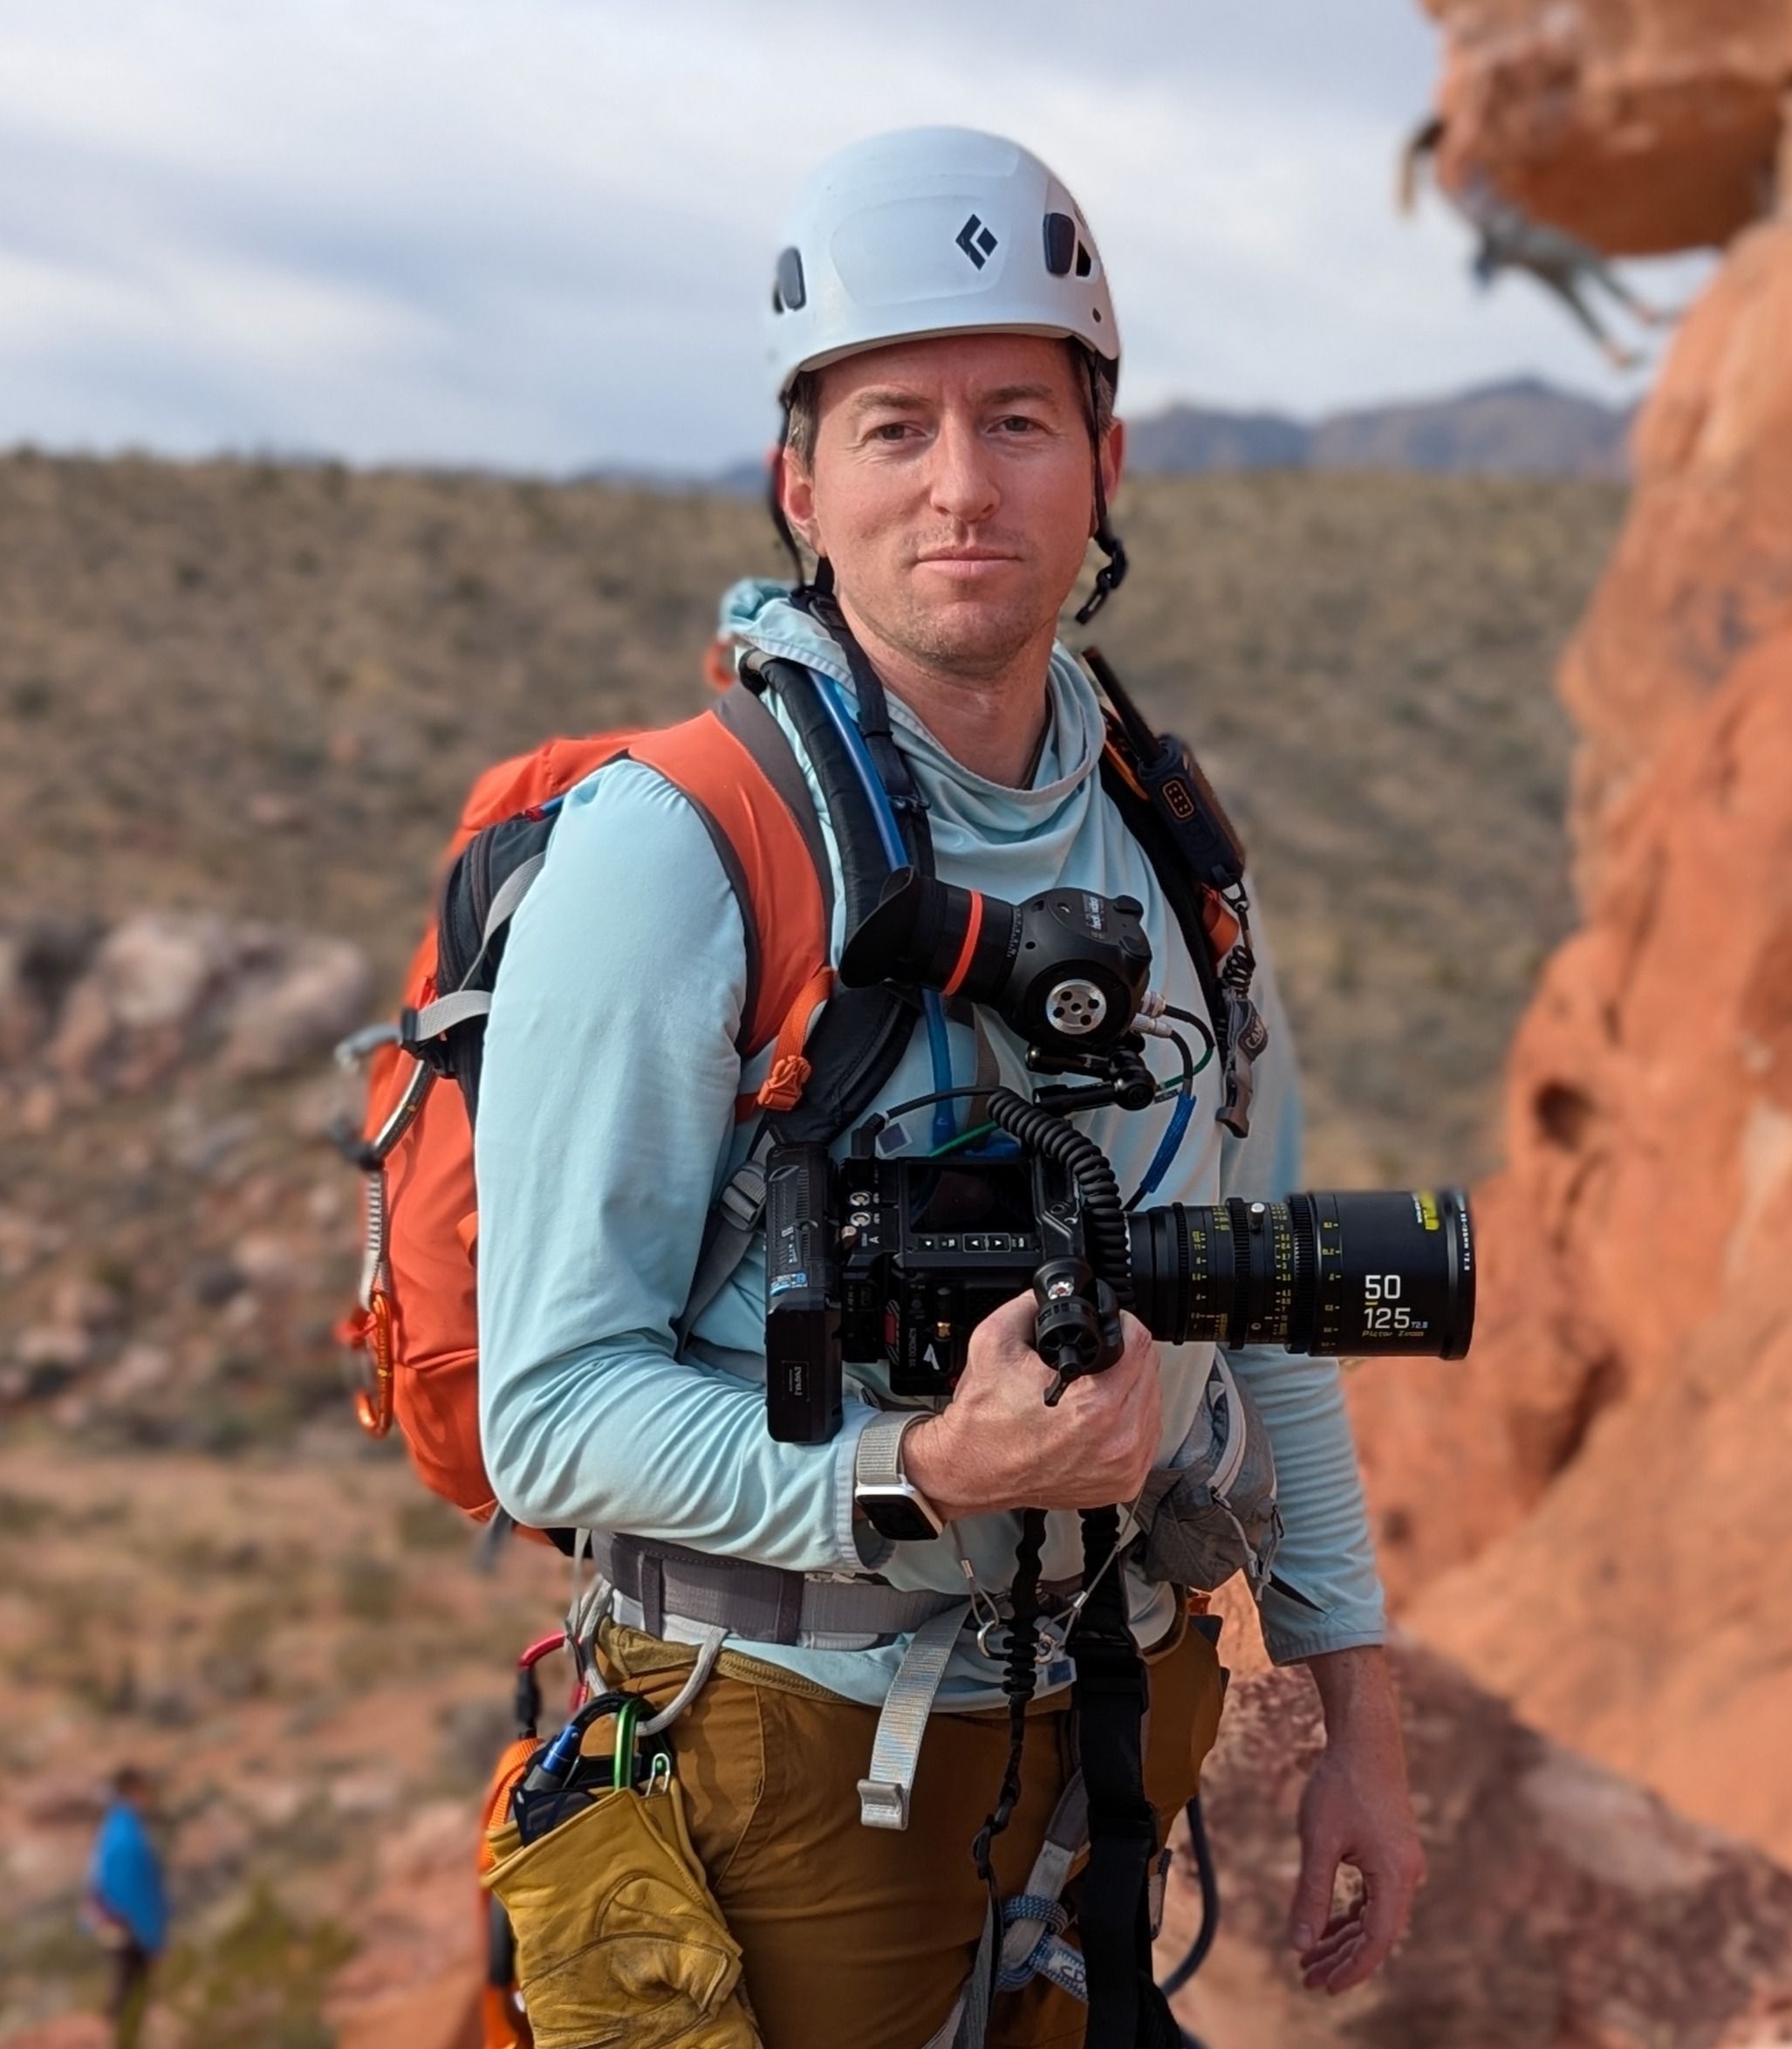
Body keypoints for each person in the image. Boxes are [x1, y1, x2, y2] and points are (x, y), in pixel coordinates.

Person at [473, 127, 1423, 2049]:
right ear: (798, 481)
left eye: (1016, 418)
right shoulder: (682, 850)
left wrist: (1358, 1716)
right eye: (893, 427)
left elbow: (1271, 1304)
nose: (961, 486)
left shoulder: (1169, 849)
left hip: (1107, 1726)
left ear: (1105, 465)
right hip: (785, 1761)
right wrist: (922, 1470)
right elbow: (549, 1414)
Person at [1400, 115, 1666, 370]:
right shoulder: (1453, 158)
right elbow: (1473, 129)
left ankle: (1612, 352)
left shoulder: (1435, 178)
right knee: (1584, 255)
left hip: (1502, 248)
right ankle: (1640, 310)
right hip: (1515, 233)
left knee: (1566, 291)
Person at [81, 1766, 166, 2049]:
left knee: (125, 1991)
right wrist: (152, 1934)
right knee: (130, 1995)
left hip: (115, 1923)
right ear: (132, 1790)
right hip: (127, 1926)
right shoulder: (125, 1832)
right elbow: (131, 1889)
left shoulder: (116, 1826)